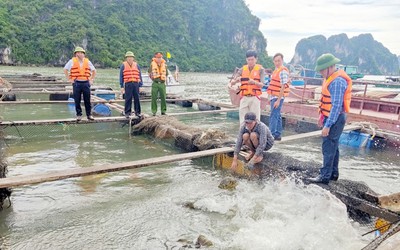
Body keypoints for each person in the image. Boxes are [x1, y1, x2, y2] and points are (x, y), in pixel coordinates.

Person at [307, 53, 352, 184]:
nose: (321, 72)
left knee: (328, 147)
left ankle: (324, 176)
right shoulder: (331, 78)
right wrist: (322, 116)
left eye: (322, 69)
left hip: (335, 118)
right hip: (330, 116)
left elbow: (337, 106)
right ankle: (333, 173)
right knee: (333, 146)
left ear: (330, 67)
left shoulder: (337, 81)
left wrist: (328, 125)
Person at [229, 50, 265, 124]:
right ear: (246, 60)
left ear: (256, 59)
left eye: (252, 59)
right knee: (242, 119)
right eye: (249, 60)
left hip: (255, 97)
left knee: (256, 119)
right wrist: (235, 80)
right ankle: (243, 134)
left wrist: (254, 82)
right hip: (244, 97)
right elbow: (235, 78)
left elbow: (262, 84)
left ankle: (255, 134)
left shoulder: (261, 69)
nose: (250, 61)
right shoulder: (243, 69)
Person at [63, 46, 96, 121]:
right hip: (76, 83)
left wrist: (91, 79)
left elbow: (94, 71)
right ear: (75, 54)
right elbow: (65, 69)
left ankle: (89, 115)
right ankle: (79, 115)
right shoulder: (72, 61)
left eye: (81, 53)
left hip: (86, 83)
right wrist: (69, 78)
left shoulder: (87, 62)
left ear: (84, 54)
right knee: (77, 100)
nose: (79, 54)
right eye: (78, 53)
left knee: (87, 99)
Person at [267, 53, 290, 141]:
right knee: (278, 115)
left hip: (278, 97)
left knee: (273, 115)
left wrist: (278, 100)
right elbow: (271, 85)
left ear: (282, 60)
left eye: (279, 61)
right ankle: (278, 134)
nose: (277, 63)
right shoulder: (276, 70)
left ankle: (271, 135)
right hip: (273, 96)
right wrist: (269, 97)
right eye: (275, 61)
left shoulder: (283, 71)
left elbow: (283, 86)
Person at [119, 51, 143, 118]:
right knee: (128, 98)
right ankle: (127, 112)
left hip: (136, 83)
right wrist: (121, 86)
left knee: (137, 98)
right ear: (126, 58)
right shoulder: (123, 65)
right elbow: (121, 76)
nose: (129, 59)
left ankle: (138, 112)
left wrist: (140, 85)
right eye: (128, 57)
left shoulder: (137, 65)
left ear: (133, 58)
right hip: (128, 84)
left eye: (131, 57)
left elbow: (139, 75)